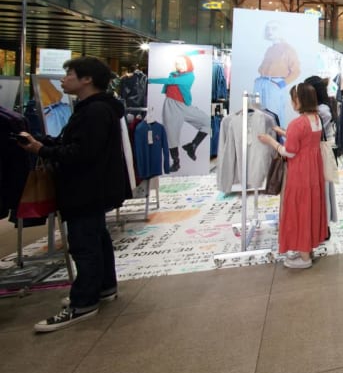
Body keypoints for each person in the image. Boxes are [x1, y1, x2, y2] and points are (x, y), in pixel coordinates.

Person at [16, 56, 128, 333]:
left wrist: (41, 150)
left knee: (84, 243)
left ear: (87, 79)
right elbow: (82, 146)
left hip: (86, 187)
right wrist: (47, 143)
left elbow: (82, 153)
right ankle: (103, 288)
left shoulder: (94, 112)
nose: (63, 80)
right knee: (95, 238)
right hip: (93, 187)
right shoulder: (97, 109)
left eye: (69, 75)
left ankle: (83, 302)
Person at [258, 83, 327, 269]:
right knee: (310, 207)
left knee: (300, 209)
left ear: (298, 100)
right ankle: (307, 249)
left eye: (293, 98)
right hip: (313, 171)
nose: (291, 102)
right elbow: (304, 141)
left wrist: (270, 140)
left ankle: (304, 258)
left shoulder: (298, 123)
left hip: (300, 172)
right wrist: (284, 132)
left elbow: (289, 152)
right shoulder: (316, 119)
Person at [147, 54, 211, 172]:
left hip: (184, 106)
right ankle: (176, 162)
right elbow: (172, 77)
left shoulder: (189, 76)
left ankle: (193, 145)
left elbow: (171, 81)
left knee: (207, 122)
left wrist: (150, 80)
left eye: (182, 63)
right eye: (177, 63)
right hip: (171, 105)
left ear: (188, 64)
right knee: (171, 135)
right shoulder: (174, 73)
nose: (179, 65)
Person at [255, 20, 301, 124]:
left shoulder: (288, 49)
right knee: (259, 115)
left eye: (274, 28)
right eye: (268, 28)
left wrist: (282, 83)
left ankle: (278, 139)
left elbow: (296, 71)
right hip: (262, 83)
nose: (270, 31)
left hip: (274, 85)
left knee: (274, 115)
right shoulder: (270, 49)